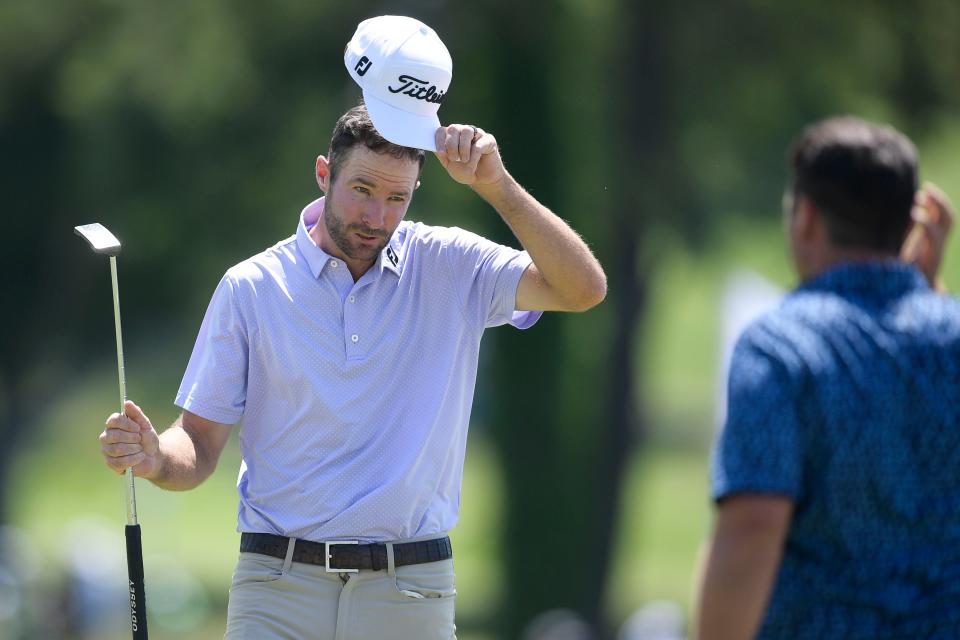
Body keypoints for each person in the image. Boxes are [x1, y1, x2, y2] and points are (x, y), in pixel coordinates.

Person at [97, 18, 606, 639]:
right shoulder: (252, 287)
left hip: (409, 588)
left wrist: (496, 186)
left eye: (398, 198)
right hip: (275, 584)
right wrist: (155, 458)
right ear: (324, 174)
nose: (376, 216)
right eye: (362, 190)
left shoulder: (451, 264)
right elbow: (199, 444)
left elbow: (583, 289)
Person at [696, 115, 958, 639]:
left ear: (807, 218)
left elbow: (752, 530)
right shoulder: (949, 329)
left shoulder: (780, 347)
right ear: (909, 226)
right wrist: (926, 294)